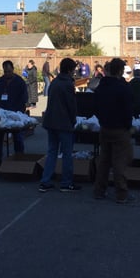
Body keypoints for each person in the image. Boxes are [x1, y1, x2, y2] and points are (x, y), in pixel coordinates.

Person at [93, 58, 135, 204]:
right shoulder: (123, 88)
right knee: (120, 162)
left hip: (105, 127)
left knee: (104, 160)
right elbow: (128, 109)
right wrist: (128, 125)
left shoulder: (101, 86)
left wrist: (102, 119)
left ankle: (99, 190)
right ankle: (121, 193)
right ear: (119, 71)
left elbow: (95, 106)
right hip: (120, 128)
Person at [39, 58, 81, 193]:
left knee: (52, 152)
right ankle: (66, 182)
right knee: (67, 153)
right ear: (69, 70)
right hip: (63, 123)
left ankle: (45, 181)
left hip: (51, 121)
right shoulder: (68, 84)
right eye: (73, 70)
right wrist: (73, 120)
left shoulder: (55, 82)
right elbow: (71, 105)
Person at [0, 60, 28, 169]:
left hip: (15, 114)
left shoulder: (20, 82)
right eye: (5, 71)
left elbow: (24, 98)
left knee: (17, 136)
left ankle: (19, 156)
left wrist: (19, 112)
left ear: (13, 69)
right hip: (1, 113)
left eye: (9, 71)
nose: (7, 74)